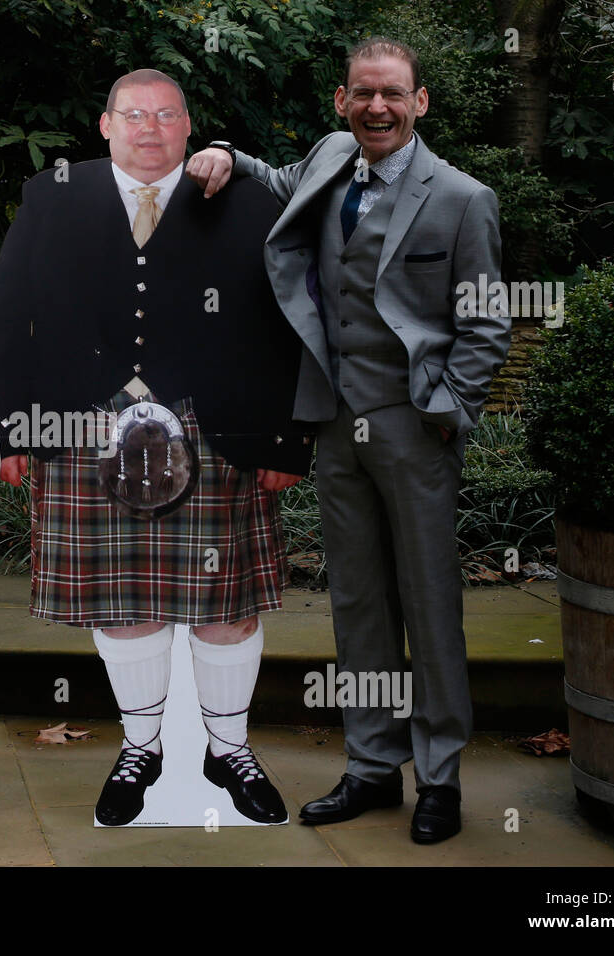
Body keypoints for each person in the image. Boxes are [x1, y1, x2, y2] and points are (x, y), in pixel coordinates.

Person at [187, 37, 511, 843]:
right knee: (358, 603)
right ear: (342, 101)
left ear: (419, 102)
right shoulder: (333, 158)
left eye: (393, 95)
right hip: (334, 422)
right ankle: (372, 765)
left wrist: (447, 408)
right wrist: (224, 151)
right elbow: (278, 183)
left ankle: (439, 776)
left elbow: (486, 322)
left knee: (430, 606)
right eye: (363, 94)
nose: (377, 107)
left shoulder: (463, 199)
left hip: (413, 426)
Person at [0, 69, 311, 827]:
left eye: (167, 115)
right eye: (134, 114)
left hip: (215, 428)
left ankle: (229, 750)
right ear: (105, 125)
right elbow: (4, 310)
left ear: (190, 128)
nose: (150, 128)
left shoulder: (243, 199)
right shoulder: (52, 193)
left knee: (225, 609)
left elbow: (285, 324)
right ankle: (141, 748)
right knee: (122, 603)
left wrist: (286, 441)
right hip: (81, 427)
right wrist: (13, 429)